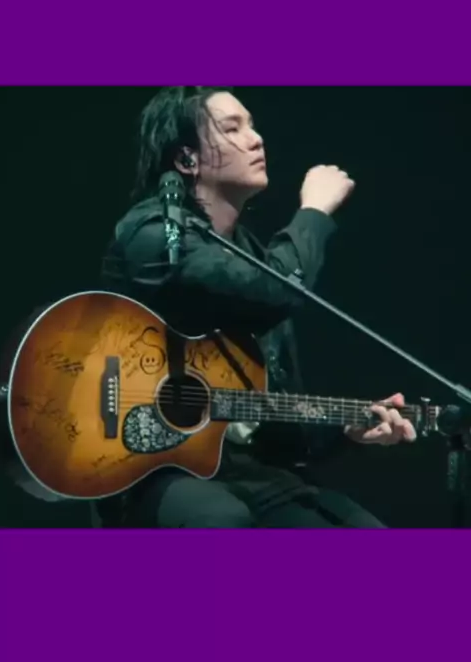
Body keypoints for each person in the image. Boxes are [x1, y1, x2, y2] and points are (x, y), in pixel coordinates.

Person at [98, 86, 416, 528]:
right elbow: (278, 289)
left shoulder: (249, 256)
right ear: (187, 159)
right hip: (151, 467)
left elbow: (275, 419)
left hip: (247, 474)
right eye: (232, 129)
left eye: (252, 125)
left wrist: (348, 429)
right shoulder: (152, 235)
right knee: (221, 519)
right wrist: (315, 211)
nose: (255, 139)